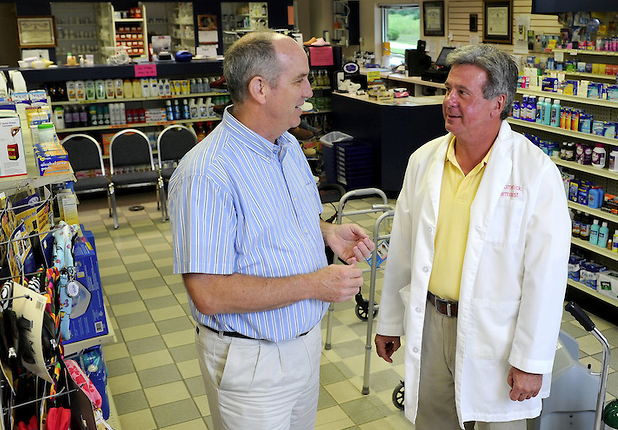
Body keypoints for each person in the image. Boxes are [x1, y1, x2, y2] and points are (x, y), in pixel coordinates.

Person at [169, 31, 375, 430]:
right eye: (300, 79)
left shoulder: (288, 147)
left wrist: (326, 232)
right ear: (260, 88)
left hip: (304, 343)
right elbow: (208, 293)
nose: (309, 91)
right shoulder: (207, 174)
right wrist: (315, 285)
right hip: (252, 362)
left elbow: (279, 221)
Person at [374, 44, 570, 429]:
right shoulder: (424, 160)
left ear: (498, 103)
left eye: (463, 93)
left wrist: (531, 361)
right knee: (432, 422)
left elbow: (546, 277)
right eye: (448, 90)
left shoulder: (535, 173)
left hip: (497, 334)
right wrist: (390, 321)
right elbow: (402, 251)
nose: (449, 101)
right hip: (431, 321)